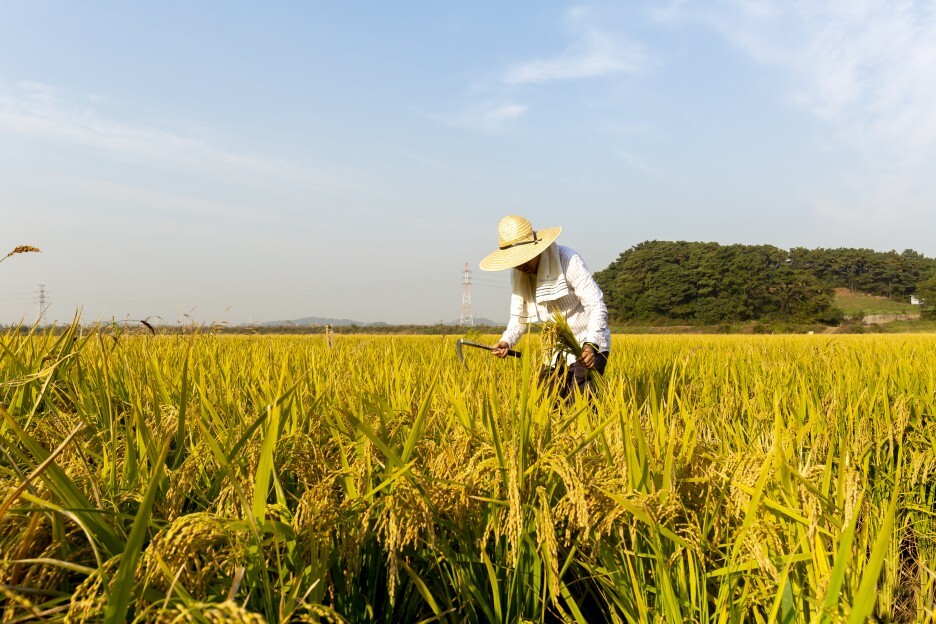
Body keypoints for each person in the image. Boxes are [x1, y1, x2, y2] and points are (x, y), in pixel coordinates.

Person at [479, 215, 611, 400]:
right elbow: (519, 315)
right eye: (515, 261)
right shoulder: (519, 274)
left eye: (524, 258)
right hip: (555, 349)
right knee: (546, 401)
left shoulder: (567, 260)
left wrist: (591, 345)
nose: (520, 265)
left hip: (587, 343)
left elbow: (596, 305)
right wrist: (507, 341)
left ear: (537, 248)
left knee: (581, 402)